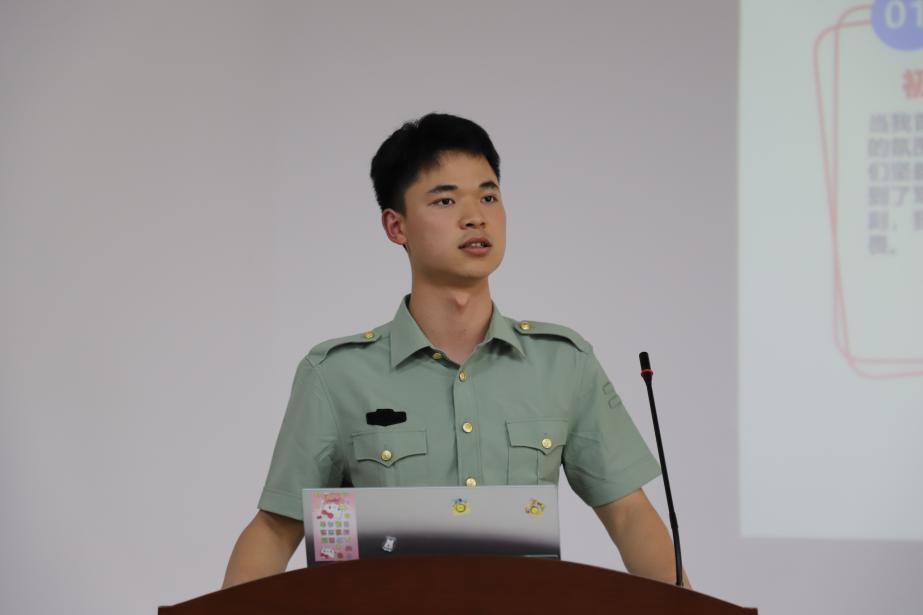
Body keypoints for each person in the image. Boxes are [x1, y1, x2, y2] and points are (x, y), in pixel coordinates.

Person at [222, 113, 688, 588]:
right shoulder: (335, 375)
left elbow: (629, 514)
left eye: (488, 196)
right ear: (396, 226)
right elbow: (276, 527)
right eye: (445, 200)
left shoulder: (563, 362)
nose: (475, 217)